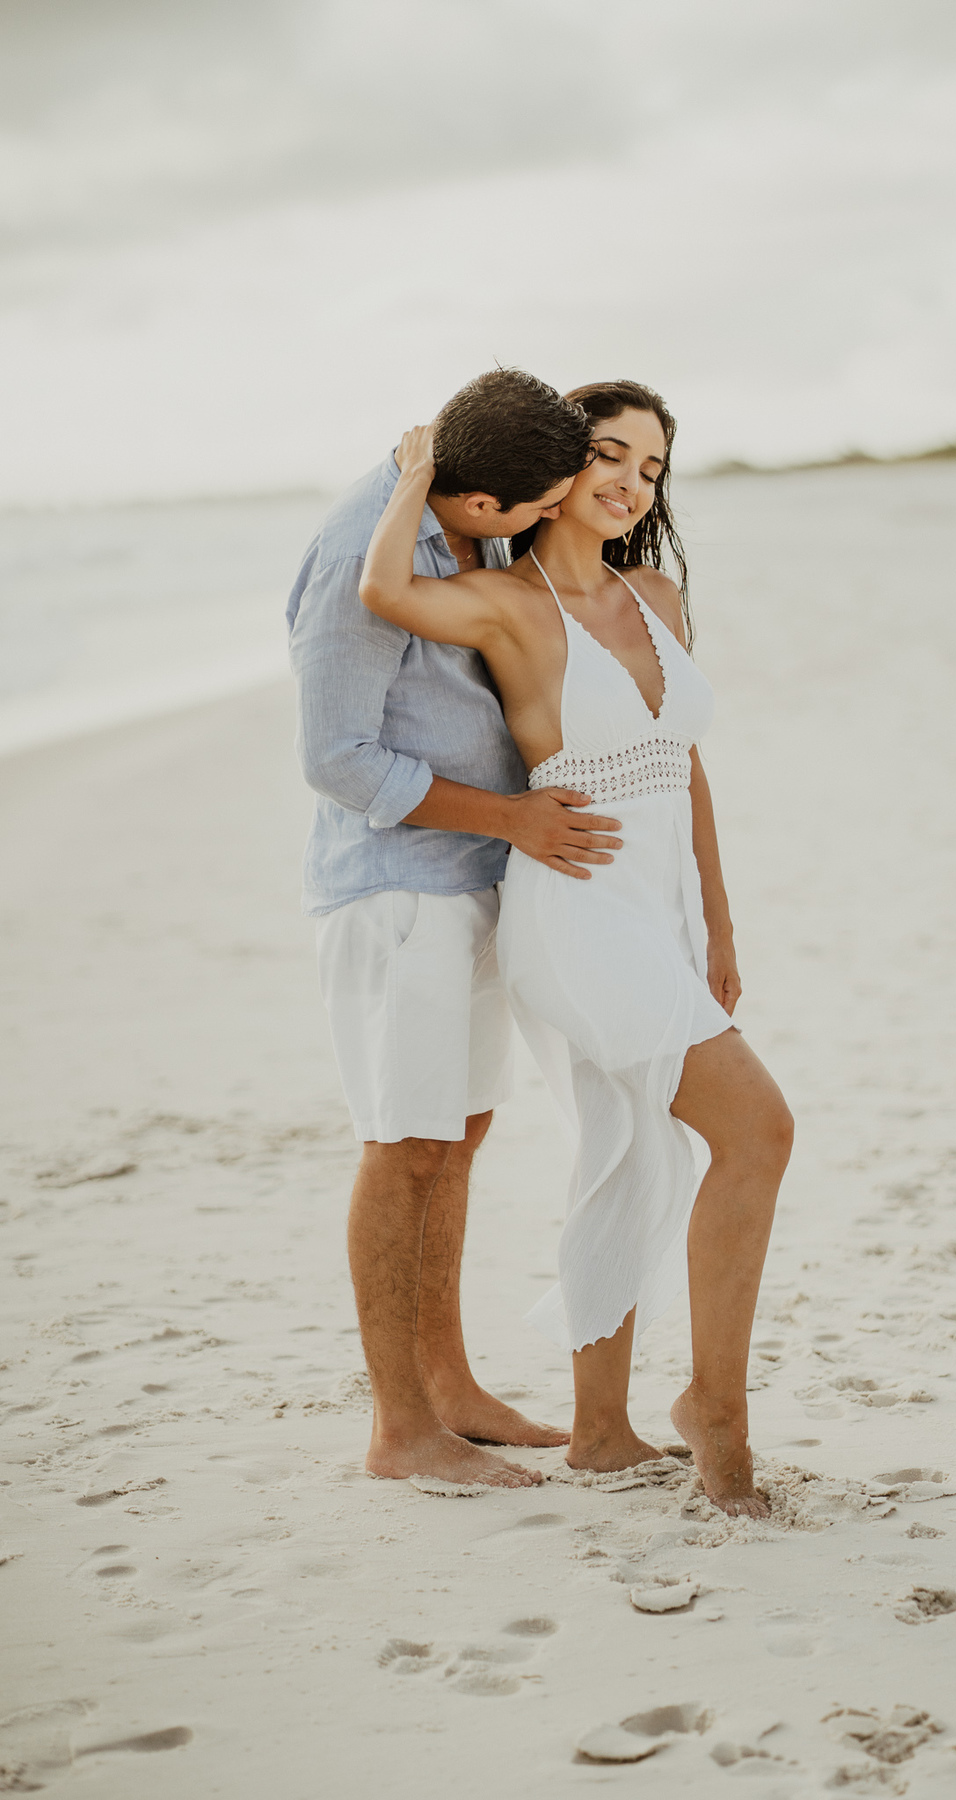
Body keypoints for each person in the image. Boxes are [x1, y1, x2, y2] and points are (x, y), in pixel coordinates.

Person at [359, 380, 794, 1517]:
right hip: (576, 907)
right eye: (609, 453)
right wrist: (415, 470)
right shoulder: (508, 601)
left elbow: (684, 763)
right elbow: (384, 586)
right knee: (758, 1129)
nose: (628, 482)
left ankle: (601, 1433)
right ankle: (718, 1410)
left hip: (662, 907)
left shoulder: (657, 593)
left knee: (628, 1150)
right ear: (558, 470)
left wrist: (720, 922)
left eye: (650, 468)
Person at [287, 369, 626, 1491]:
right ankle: (400, 1430)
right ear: (481, 505)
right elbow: (336, 761)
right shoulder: (358, 557)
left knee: (460, 1133)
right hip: (399, 890)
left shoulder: (455, 508)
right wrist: (514, 818)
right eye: (535, 508)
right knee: (405, 1143)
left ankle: (450, 1388)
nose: (545, 524)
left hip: (473, 873)